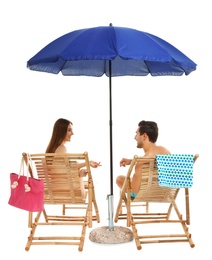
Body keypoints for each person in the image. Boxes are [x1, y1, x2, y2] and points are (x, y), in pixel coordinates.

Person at [116, 120, 170, 199]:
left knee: (119, 178)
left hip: (144, 194)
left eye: (136, 134)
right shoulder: (165, 151)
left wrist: (136, 163)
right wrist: (132, 161)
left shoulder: (141, 163)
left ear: (144, 136)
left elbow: (134, 190)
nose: (135, 138)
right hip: (165, 193)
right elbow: (152, 160)